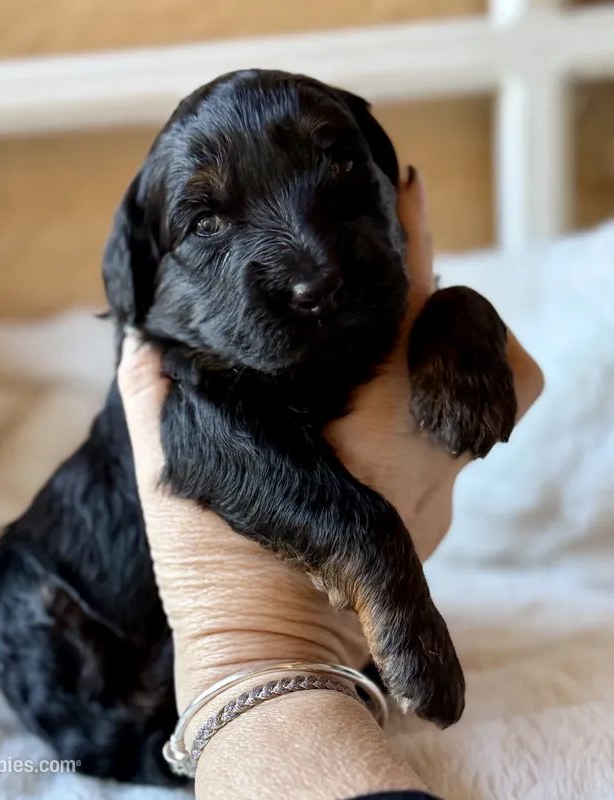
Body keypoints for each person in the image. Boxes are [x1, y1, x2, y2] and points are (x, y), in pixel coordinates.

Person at [117, 169, 544, 800]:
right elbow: (214, 437)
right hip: (113, 660)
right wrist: (274, 636)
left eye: (340, 187)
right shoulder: (184, 365)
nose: (310, 266)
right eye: (206, 222)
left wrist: (459, 322)